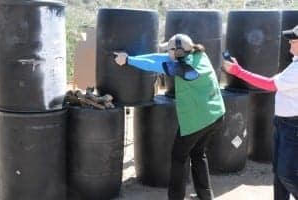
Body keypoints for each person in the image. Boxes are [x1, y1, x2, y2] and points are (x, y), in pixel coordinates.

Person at [114, 33, 225, 200]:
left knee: (179, 158)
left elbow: (155, 66)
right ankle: (205, 196)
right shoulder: (199, 54)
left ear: (179, 52)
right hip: (216, 115)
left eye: (171, 50)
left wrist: (129, 61)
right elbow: (160, 58)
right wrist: (130, 56)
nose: (168, 53)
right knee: (198, 153)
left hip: (198, 120)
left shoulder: (185, 69)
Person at [222, 25, 298, 200]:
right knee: (279, 173)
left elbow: (270, 84)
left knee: (286, 174)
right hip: (284, 123)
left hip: (293, 126)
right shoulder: (295, 64)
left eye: (294, 41)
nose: (290, 45)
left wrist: (238, 71)